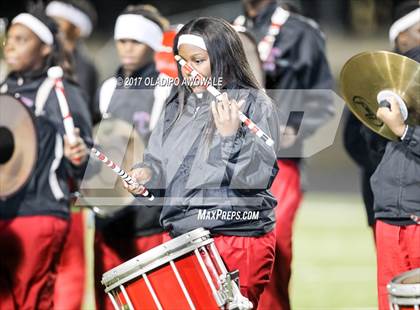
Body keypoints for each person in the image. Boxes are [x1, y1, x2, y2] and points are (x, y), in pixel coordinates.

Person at [125, 17, 279, 307]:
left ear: (222, 59)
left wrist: (228, 137)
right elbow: (158, 163)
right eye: (182, 61)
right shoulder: (178, 103)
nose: (188, 70)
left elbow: (256, 177)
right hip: (184, 237)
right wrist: (146, 176)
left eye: (198, 60)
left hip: (234, 236)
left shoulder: (254, 104)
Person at [234, 1, 334, 309]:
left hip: (281, 161)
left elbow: (324, 99)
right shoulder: (229, 30)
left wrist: (295, 129)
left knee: (273, 246)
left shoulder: (301, 32)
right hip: (231, 159)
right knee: (233, 249)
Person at [0, 4, 92, 309]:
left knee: (31, 301)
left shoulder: (59, 89)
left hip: (38, 211)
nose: (10, 45)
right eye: (9, 38)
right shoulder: (5, 86)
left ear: (44, 48)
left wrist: (77, 155)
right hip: (6, 212)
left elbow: (88, 157)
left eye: (21, 39)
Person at [92, 5, 171, 309]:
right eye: (121, 40)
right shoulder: (108, 88)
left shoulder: (165, 89)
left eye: (135, 41)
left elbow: (164, 153)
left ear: (151, 45)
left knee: (149, 298)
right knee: (107, 299)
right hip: (109, 216)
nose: (126, 48)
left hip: (147, 218)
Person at [45, 2, 98, 308]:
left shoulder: (81, 67)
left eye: (59, 24)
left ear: (75, 30)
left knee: (71, 268)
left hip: (68, 181)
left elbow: (83, 123)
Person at [371, 1, 420, 308]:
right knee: (391, 302)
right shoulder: (383, 79)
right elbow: (363, 141)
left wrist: (405, 132)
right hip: (389, 213)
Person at [46, 0, 99, 120]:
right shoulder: (44, 57)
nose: (52, 24)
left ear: (77, 30)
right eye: (51, 19)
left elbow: (79, 108)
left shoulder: (84, 67)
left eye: (59, 21)